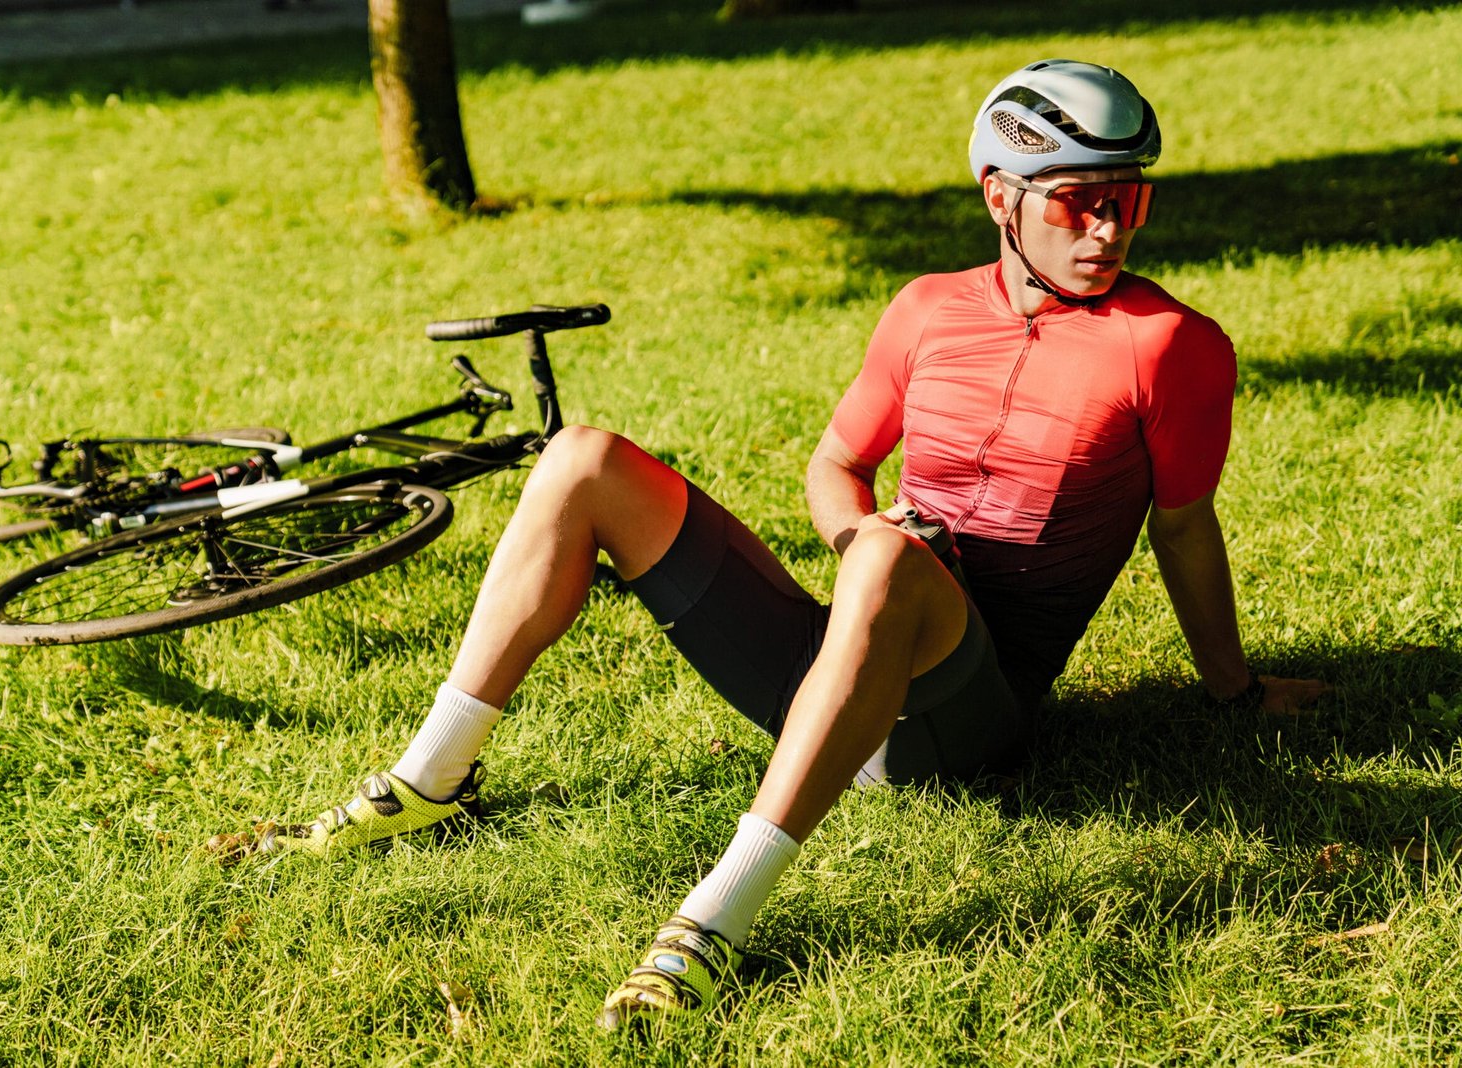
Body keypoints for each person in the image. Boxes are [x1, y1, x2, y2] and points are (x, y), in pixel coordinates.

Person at [209, 59, 1329, 1027]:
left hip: (964, 718)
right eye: (1080, 202)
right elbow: (835, 467)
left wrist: (1231, 691)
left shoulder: (1169, 347)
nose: (1110, 230)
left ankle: (710, 923)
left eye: (1129, 200)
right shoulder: (927, 309)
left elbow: (1183, 527)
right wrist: (856, 539)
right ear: (1001, 195)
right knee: (583, 458)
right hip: (843, 654)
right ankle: (430, 779)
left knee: (887, 559)